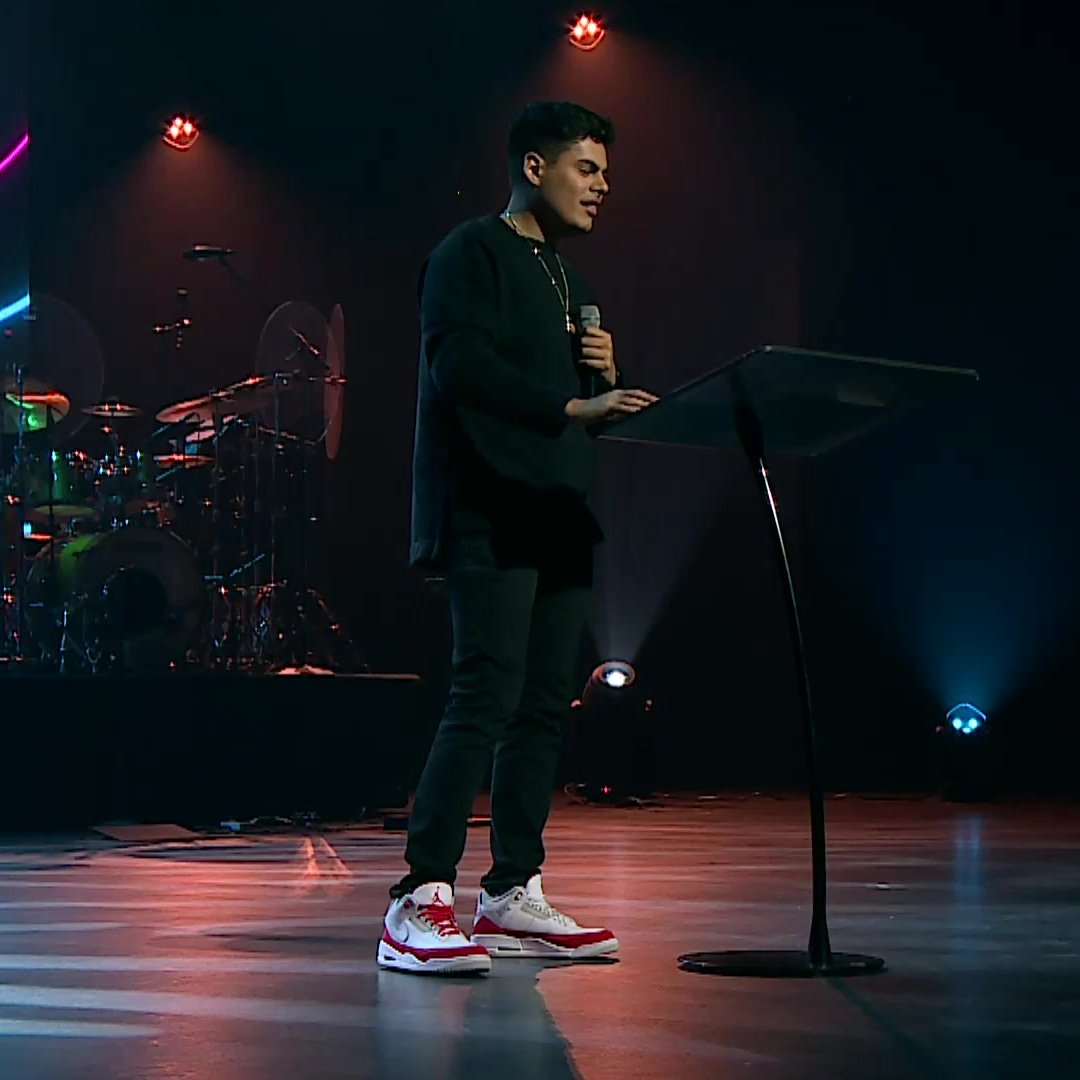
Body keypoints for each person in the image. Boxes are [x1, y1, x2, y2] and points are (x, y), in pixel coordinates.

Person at [378, 101, 658, 975]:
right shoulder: (471, 252)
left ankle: (510, 894)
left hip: (558, 512)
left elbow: (576, 407)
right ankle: (418, 897)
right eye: (587, 169)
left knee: (542, 703)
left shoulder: (570, 281)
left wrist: (603, 382)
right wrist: (574, 403)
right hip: (489, 508)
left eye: (606, 173)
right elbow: (459, 368)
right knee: (485, 692)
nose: (602, 187)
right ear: (534, 168)